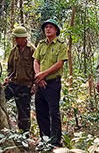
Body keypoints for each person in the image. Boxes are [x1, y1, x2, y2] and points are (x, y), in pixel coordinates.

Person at [33, 18, 67, 146]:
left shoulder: (61, 45)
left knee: (53, 112)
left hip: (53, 83)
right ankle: (44, 139)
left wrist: (43, 74)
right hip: (40, 83)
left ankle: (55, 141)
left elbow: (59, 64)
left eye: (50, 27)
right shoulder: (41, 44)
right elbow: (36, 61)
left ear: (56, 30)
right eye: (46, 27)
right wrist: (39, 76)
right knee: (41, 110)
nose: (47, 29)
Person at [4, 25, 35, 133]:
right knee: (1, 98)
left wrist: (34, 84)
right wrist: (8, 78)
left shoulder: (32, 50)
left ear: (24, 38)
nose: (16, 40)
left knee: (24, 112)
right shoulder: (13, 51)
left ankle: (24, 135)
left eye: (18, 38)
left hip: (25, 86)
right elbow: (10, 67)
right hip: (14, 84)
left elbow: (36, 69)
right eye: (15, 38)